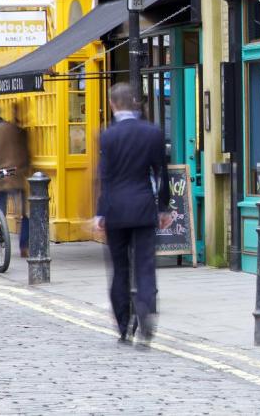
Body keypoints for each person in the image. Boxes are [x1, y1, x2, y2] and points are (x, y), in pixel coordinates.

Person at [94, 83, 171, 347]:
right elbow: (162, 173)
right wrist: (163, 207)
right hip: (143, 208)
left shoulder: (107, 136)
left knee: (120, 269)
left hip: (115, 210)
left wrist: (99, 214)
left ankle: (123, 326)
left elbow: (103, 177)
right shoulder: (153, 133)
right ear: (134, 103)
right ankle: (146, 314)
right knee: (145, 266)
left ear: (113, 104)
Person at [0, 104, 31, 257]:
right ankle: (22, 245)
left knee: (2, 212)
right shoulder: (20, 132)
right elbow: (28, 156)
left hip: (3, 178)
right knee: (22, 214)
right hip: (14, 177)